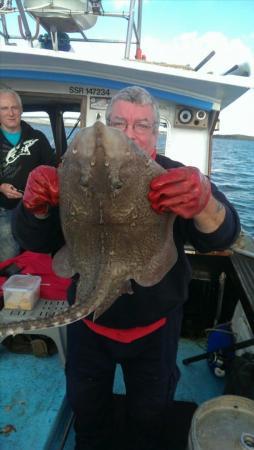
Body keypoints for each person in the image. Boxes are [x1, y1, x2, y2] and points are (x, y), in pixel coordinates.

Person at [12, 86, 240, 450]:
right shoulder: (71, 170)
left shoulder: (171, 176)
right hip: (88, 325)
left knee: (149, 417)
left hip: (155, 331)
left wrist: (204, 204)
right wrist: (34, 206)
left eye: (142, 125)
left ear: (155, 133)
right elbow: (37, 240)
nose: (129, 134)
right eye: (118, 123)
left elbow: (223, 237)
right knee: (87, 413)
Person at [0, 88, 56, 262]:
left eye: (14, 107)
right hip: (4, 209)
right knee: (8, 257)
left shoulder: (38, 137)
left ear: (21, 109)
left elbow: (53, 168)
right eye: (4, 108)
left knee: (38, 258)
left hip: (35, 210)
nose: (10, 113)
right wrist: (1, 186)